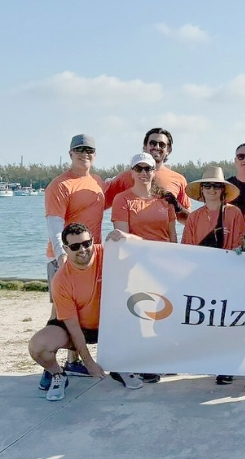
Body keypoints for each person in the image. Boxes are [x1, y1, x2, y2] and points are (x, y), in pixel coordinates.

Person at [28, 224, 143, 401]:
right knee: (38, 346)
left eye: (86, 243)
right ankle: (58, 374)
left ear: (92, 241)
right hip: (76, 327)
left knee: (145, 317)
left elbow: (143, 249)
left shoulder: (107, 253)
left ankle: (119, 367)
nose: (83, 249)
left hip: (107, 324)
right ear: (66, 249)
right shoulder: (61, 280)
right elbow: (73, 327)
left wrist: (127, 237)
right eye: (75, 247)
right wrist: (89, 362)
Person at [44, 134, 108, 379]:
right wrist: (62, 258)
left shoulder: (98, 183)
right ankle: (49, 369)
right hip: (65, 257)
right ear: (70, 153)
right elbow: (54, 223)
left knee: (81, 310)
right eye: (79, 149)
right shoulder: (60, 185)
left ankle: (73, 361)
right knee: (58, 314)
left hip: (90, 257)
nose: (85, 154)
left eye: (89, 149)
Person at [111, 153, 177, 384]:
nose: (143, 173)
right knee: (137, 313)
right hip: (134, 265)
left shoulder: (165, 200)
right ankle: (133, 362)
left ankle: (154, 361)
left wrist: (174, 262)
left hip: (162, 267)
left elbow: (171, 235)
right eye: (138, 168)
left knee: (160, 314)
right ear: (131, 172)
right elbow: (122, 235)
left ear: (153, 171)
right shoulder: (122, 199)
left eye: (147, 168)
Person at [182, 166, 245, 385]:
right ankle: (217, 363)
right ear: (201, 190)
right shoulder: (194, 217)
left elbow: (240, 244)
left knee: (228, 322)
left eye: (216, 186)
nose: (211, 189)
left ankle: (229, 366)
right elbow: (187, 249)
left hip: (229, 278)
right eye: (207, 185)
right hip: (202, 277)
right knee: (210, 322)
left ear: (223, 190)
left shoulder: (234, 213)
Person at [105, 128, 191, 224]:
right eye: (152, 143)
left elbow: (188, 221)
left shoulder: (179, 180)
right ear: (145, 147)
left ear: (168, 150)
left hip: (163, 238)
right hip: (131, 238)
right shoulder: (125, 177)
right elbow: (99, 205)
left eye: (162, 145)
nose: (157, 147)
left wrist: (176, 206)